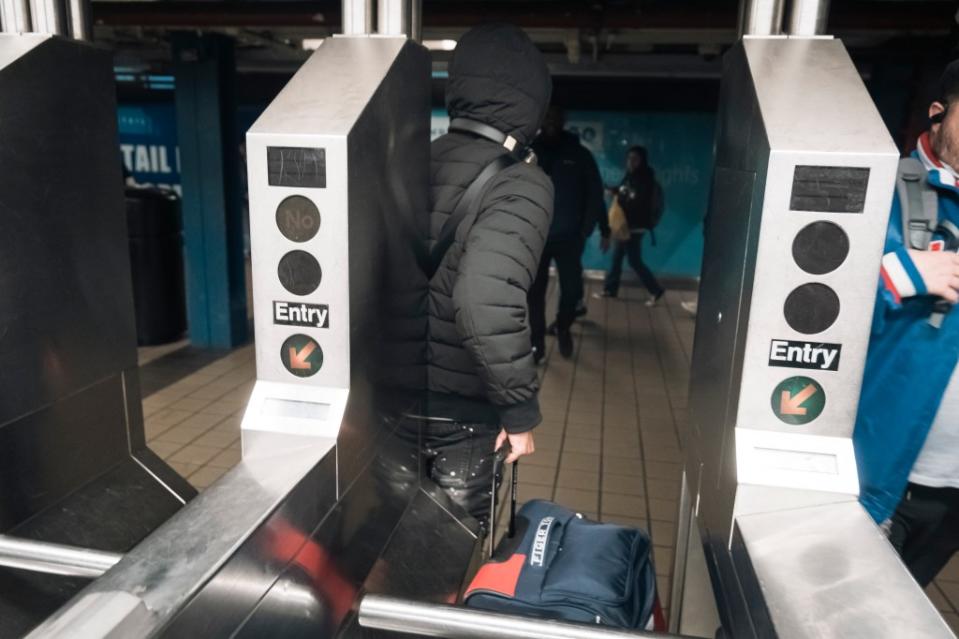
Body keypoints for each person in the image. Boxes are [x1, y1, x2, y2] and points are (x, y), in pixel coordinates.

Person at [425, 24, 553, 530]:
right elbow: (484, 299)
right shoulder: (520, 183)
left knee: (379, 559)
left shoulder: (412, 159)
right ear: (532, 102)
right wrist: (519, 412)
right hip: (461, 423)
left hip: (384, 404)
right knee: (443, 569)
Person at [854, 59, 959, 587]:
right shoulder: (878, 195)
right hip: (889, 482)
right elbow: (805, 317)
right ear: (938, 115)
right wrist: (898, 274)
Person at [528, 106, 609, 360]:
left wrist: (587, 230)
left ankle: (563, 327)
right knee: (534, 295)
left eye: (555, 117)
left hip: (569, 239)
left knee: (573, 291)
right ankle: (536, 344)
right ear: (541, 121)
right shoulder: (530, 154)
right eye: (547, 117)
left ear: (563, 121)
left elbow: (595, 194)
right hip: (536, 240)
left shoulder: (579, 155)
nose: (551, 121)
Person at [596, 146, 666, 306]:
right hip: (626, 225)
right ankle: (610, 289)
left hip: (634, 226)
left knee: (634, 260)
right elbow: (624, 192)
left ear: (642, 161)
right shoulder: (630, 176)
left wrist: (620, 198)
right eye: (629, 158)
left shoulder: (645, 179)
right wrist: (615, 191)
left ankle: (655, 290)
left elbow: (636, 201)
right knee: (618, 257)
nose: (631, 162)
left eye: (635, 159)